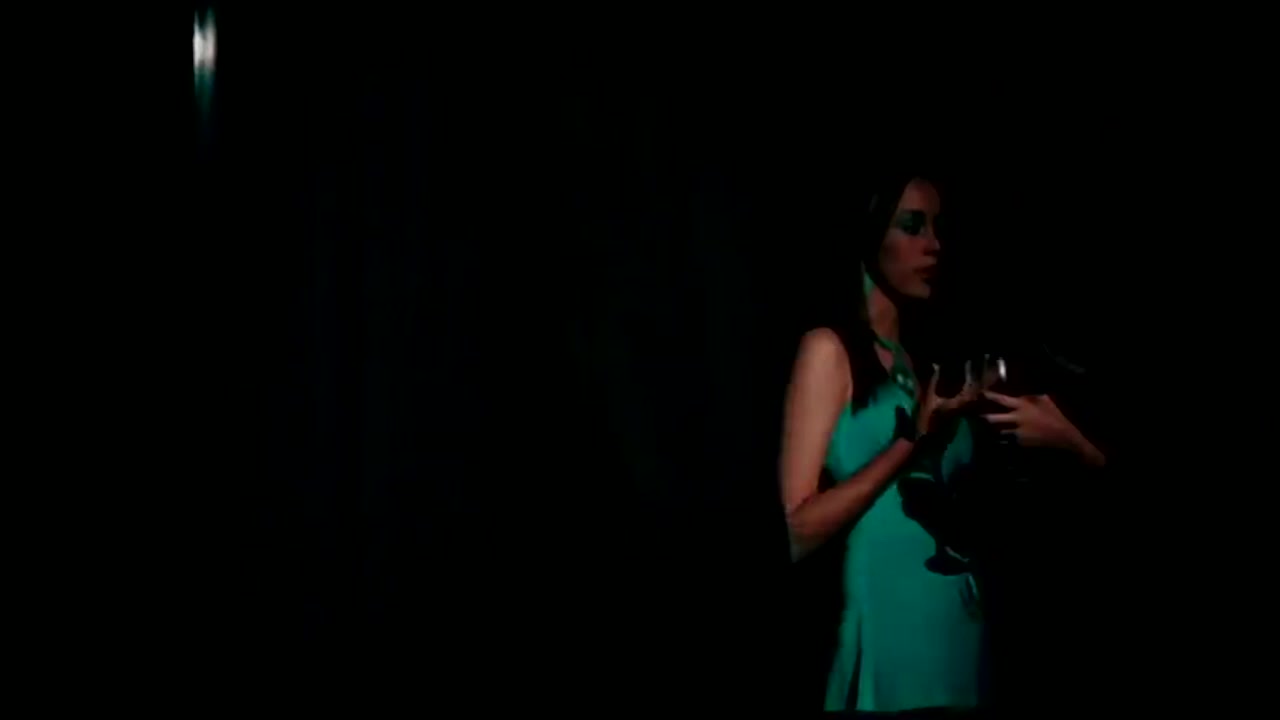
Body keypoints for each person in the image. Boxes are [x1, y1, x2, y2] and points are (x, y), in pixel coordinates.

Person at [778, 172, 983, 714]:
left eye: (938, 227)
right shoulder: (830, 350)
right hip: (889, 637)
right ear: (869, 233)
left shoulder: (923, 364)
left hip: (957, 630)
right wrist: (911, 439)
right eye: (912, 226)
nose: (934, 245)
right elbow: (796, 531)